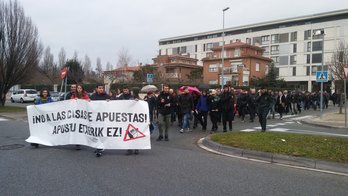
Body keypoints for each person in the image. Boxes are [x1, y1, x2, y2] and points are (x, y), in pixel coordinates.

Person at [117, 86, 140, 155]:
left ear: (129, 90)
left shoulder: (133, 96)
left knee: (134, 131)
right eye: (124, 90)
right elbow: (115, 102)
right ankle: (129, 148)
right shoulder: (121, 97)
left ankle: (136, 148)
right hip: (125, 118)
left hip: (133, 117)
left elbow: (140, 102)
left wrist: (137, 101)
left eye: (126, 90)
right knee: (127, 132)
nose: (125, 91)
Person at [90, 84, 111, 157]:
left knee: (102, 132)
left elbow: (113, 105)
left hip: (104, 118)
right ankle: (98, 146)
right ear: (96, 89)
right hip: (95, 118)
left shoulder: (107, 96)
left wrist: (109, 101)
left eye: (102, 88)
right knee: (96, 133)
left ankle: (100, 148)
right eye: (99, 88)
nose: (101, 89)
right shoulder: (92, 97)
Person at [70, 84, 89, 150]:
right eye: (78, 88)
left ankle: (83, 140)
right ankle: (77, 143)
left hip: (83, 115)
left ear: (82, 89)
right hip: (76, 115)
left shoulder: (85, 95)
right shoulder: (73, 96)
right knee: (77, 128)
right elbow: (70, 104)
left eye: (80, 88)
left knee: (82, 128)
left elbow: (89, 102)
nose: (79, 89)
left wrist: (88, 101)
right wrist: (73, 100)